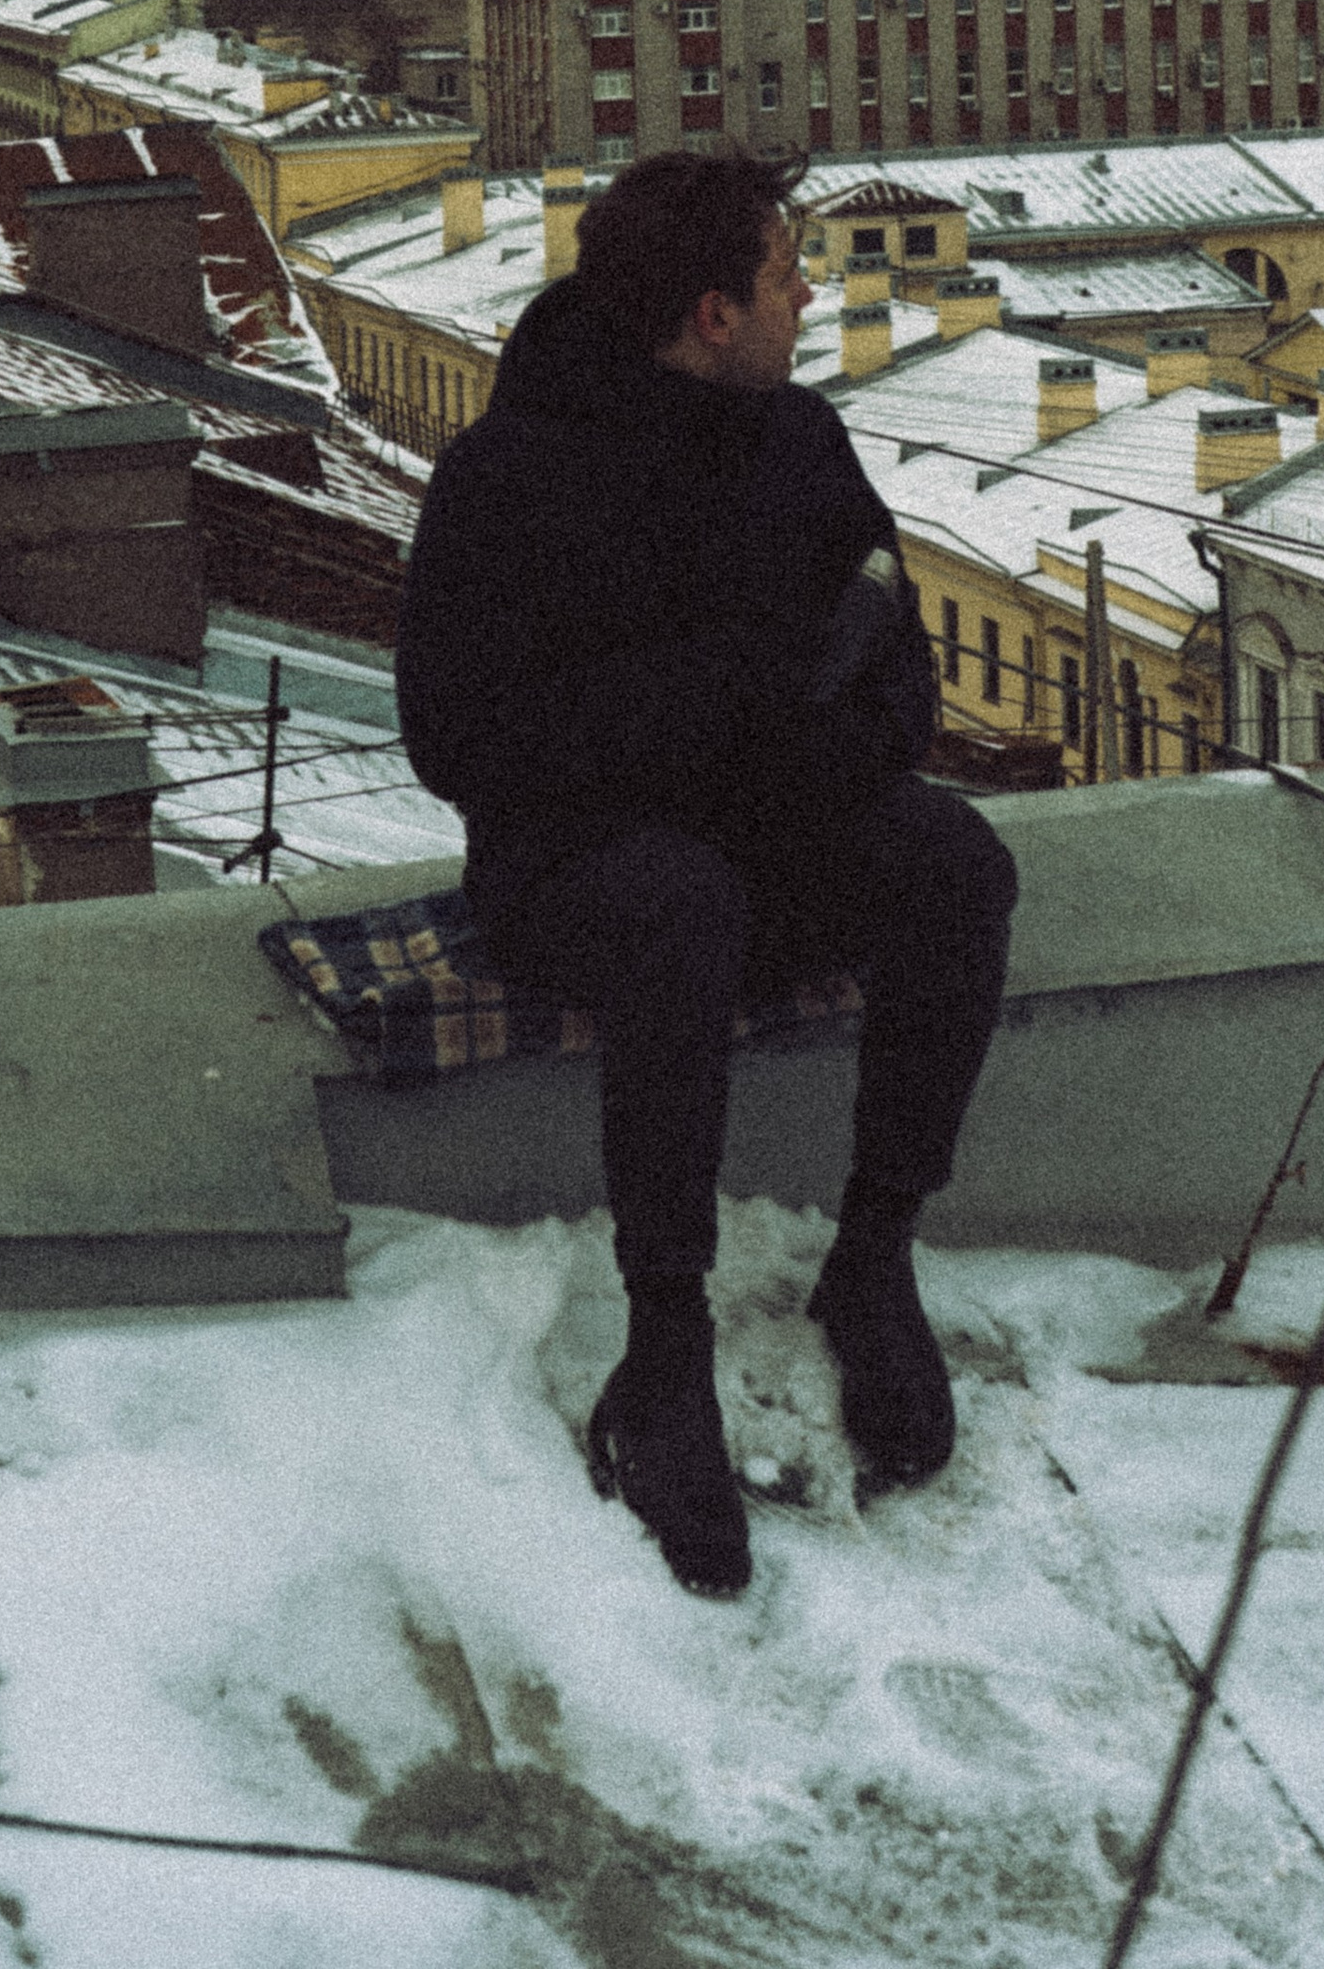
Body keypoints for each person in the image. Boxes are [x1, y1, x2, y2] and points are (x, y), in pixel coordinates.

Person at [396, 146, 1019, 1598]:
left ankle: (875, 1259)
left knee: (953, 867)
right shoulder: (509, 473)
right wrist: (724, 707)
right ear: (710, 313)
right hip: (574, 870)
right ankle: (662, 1347)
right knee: (679, 904)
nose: (814, 293)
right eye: (785, 272)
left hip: (771, 824)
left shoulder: (797, 440)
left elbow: (893, 667)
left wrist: (835, 738)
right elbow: (455, 739)